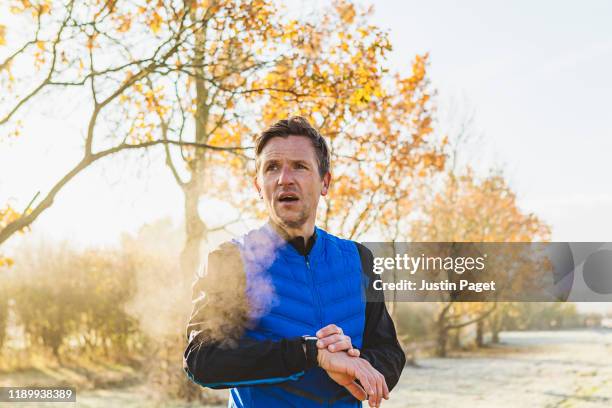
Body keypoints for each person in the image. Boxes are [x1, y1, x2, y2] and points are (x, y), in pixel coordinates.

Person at [183, 116, 405, 407]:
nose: (284, 178)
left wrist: (353, 363)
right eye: (272, 167)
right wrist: (310, 353)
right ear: (259, 185)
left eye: (299, 166)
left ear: (324, 182)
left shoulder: (359, 259)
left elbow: (390, 353)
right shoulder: (229, 261)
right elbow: (202, 360)